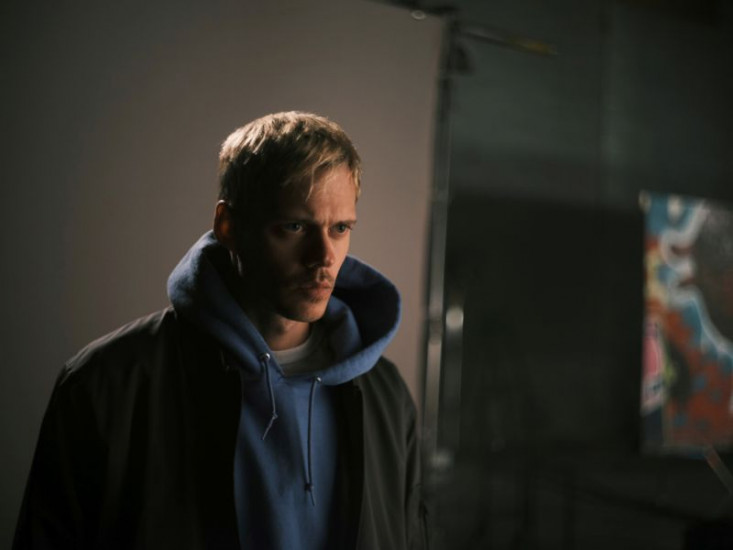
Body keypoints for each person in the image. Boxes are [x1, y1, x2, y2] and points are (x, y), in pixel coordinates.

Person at [14, 112, 427, 549]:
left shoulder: (385, 395)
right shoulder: (107, 383)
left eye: (340, 228)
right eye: (294, 226)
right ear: (228, 225)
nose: (323, 256)